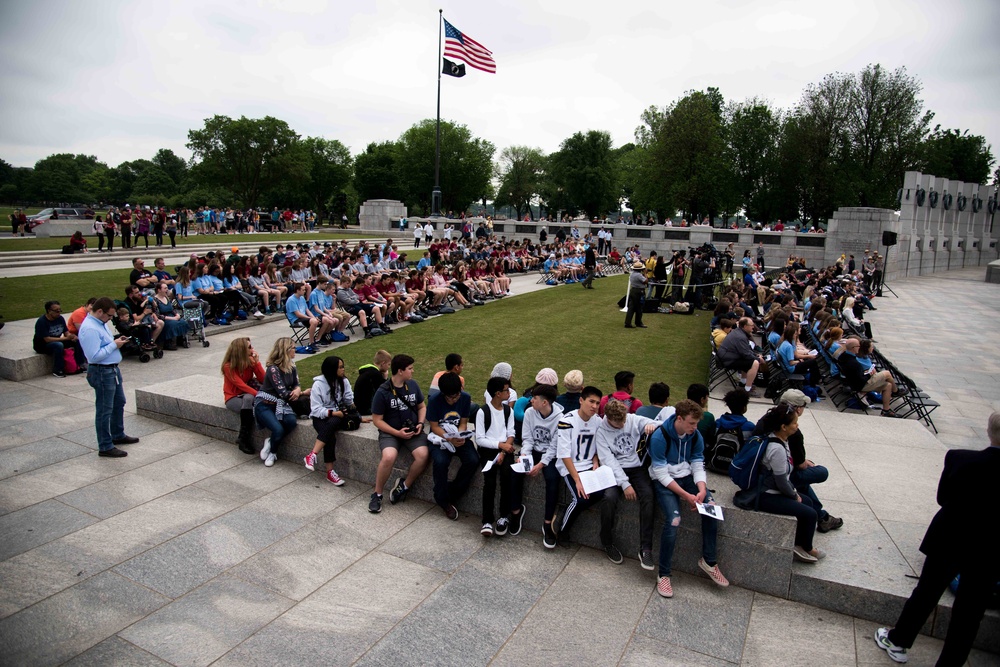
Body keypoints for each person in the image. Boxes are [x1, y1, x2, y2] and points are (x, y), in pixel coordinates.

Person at [875, 411, 1000, 666]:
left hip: (950, 538)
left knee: (927, 592)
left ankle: (899, 640)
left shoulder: (959, 459)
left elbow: (943, 498)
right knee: (970, 613)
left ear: (989, 431)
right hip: (990, 549)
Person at [649, 399, 729, 597]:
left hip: (687, 478)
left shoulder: (695, 435)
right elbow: (661, 474)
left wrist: (701, 490)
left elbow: (697, 463)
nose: (695, 427)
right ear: (679, 419)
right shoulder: (660, 436)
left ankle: (709, 562)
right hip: (666, 481)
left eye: (696, 423)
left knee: (711, 508)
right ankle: (664, 574)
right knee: (673, 520)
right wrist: (686, 496)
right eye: (691, 423)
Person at [742, 403, 822, 563]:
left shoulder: (782, 440)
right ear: (784, 427)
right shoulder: (776, 449)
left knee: (808, 502)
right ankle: (806, 547)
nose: (797, 425)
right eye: (794, 423)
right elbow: (781, 481)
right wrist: (793, 495)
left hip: (774, 489)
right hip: (765, 495)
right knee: (810, 512)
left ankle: (799, 543)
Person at [755, 389, 843, 533]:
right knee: (821, 472)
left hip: (762, 468)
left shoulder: (766, 419)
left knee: (803, 482)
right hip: (773, 477)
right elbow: (799, 466)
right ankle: (822, 518)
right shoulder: (792, 432)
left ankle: (823, 517)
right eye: (802, 406)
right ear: (796, 408)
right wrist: (806, 464)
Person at [596, 398, 660, 569]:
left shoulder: (631, 419)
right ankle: (607, 541)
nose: (624, 424)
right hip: (615, 470)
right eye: (619, 422)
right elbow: (608, 460)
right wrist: (625, 484)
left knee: (648, 495)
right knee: (609, 499)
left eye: (624, 420)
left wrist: (651, 425)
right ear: (609, 419)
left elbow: (659, 423)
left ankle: (645, 549)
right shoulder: (601, 431)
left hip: (637, 468)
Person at [78, 297, 140, 458]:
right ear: (100, 312)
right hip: (101, 371)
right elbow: (94, 356)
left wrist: (116, 341)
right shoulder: (90, 328)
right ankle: (105, 445)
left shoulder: (100, 323)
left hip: (111, 370)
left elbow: (104, 344)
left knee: (119, 402)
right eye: (110, 316)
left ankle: (117, 434)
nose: (111, 319)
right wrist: (115, 345)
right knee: (104, 409)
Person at [369, 354, 429, 514]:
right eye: (410, 369)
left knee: (423, 455)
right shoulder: (383, 392)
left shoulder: (413, 385)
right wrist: (397, 432)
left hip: (412, 431)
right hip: (391, 432)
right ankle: (377, 494)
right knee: (388, 457)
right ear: (400, 371)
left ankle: (404, 486)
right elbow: (377, 420)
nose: (413, 371)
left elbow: (422, 407)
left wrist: (420, 423)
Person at [556, 386, 606, 545]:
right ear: (581, 400)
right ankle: (562, 531)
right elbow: (564, 454)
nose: (594, 406)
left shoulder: (598, 421)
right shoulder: (567, 421)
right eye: (591, 401)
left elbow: (600, 445)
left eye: (597, 403)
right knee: (581, 499)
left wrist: (596, 460)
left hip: (588, 467)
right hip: (570, 467)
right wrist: (577, 480)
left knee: (599, 494)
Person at [519, 382, 565, 548]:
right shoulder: (530, 413)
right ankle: (514, 512)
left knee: (553, 479)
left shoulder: (560, 418)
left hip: (550, 456)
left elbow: (554, 446)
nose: (531, 401)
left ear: (545, 402)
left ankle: (547, 523)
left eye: (534, 398)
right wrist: (524, 456)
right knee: (515, 472)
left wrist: (540, 465)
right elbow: (527, 438)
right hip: (533, 451)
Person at [427, 372, 477, 520]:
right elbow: (434, 427)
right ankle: (443, 500)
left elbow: (463, 422)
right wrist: (449, 439)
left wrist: (459, 435)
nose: (454, 400)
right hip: (440, 437)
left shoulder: (465, 398)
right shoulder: (435, 401)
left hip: (457, 435)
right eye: (450, 397)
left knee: (473, 460)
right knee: (441, 461)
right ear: (443, 394)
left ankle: (451, 492)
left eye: (456, 396)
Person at [254, 337, 309, 468]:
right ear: (286, 350)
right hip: (265, 404)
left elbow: (296, 384)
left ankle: (270, 441)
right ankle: (273, 452)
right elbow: (283, 393)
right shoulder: (273, 369)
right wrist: (301, 393)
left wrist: (298, 389)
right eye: (294, 348)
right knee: (278, 429)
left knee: (291, 422)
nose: (296, 350)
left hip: (280, 404)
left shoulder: (292, 366)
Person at [476, 376, 518, 536]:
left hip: (504, 450)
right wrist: (500, 445)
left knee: (507, 477)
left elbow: (511, 433)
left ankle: (503, 516)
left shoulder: (508, 411)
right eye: (507, 390)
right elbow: (480, 438)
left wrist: (503, 451)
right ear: (498, 393)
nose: (509, 392)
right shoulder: (483, 412)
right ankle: (487, 520)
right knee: (490, 481)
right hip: (488, 450)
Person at [306, 355, 357, 486]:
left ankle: (312, 455)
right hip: (321, 417)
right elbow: (316, 409)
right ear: (331, 369)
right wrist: (333, 413)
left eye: (343, 366)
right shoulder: (318, 385)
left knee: (333, 422)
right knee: (330, 436)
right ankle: (329, 472)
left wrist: (349, 397)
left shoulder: (343, 381)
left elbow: (349, 401)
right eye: (340, 367)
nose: (343, 369)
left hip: (338, 416)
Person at [221, 337, 265, 455]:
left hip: (247, 395)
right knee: (251, 401)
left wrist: (257, 363)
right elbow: (240, 385)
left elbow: (263, 379)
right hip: (233, 397)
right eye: (249, 347)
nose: (253, 349)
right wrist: (260, 396)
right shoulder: (228, 366)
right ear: (241, 350)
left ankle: (242, 437)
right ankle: (244, 439)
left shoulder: (250, 361)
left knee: (249, 398)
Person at [33, 300, 87, 377]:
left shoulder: (60, 318)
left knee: (76, 341)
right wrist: (66, 338)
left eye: (59, 310)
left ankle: (81, 364)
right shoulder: (42, 322)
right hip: (43, 345)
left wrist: (71, 336)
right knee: (58, 345)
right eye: (56, 311)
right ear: (49, 311)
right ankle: (58, 369)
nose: (59, 313)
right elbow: (47, 339)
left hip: (57, 341)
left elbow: (66, 332)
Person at [717, 317, 766, 396]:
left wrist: (755, 355)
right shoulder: (740, 337)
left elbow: (746, 350)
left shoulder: (739, 333)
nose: (753, 326)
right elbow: (745, 354)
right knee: (755, 363)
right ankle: (747, 389)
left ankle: (742, 384)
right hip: (728, 360)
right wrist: (758, 359)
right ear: (745, 326)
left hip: (728, 357)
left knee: (750, 360)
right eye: (751, 325)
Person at [355, 349, 392, 415]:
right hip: (367, 408)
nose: (389, 367)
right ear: (383, 363)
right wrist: (385, 378)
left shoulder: (367, 372)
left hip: (360, 406)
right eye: (388, 364)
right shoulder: (375, 374)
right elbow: (384, 390)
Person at [624, 261, 648, 328]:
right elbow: (646, 281)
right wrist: (645, 273)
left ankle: (627, 322)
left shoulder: (632, 274)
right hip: (639, 291)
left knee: (631, 307)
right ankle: (638, 322)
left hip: (633, 290)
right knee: (639, 307)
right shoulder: (639, 275)